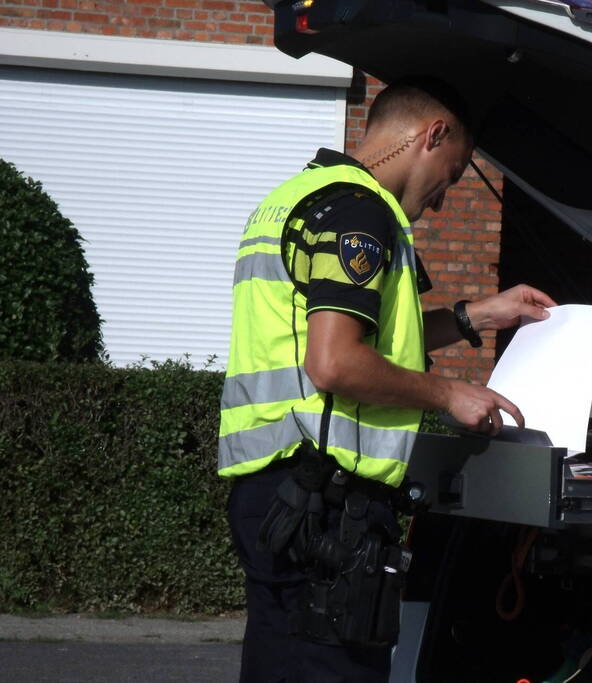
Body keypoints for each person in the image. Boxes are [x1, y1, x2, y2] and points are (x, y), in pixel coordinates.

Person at [218, 76, 556, 683]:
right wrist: (451, 393)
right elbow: (337, 362)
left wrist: (477, 314)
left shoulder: (298, 196)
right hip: (324, 508)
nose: (443, 202)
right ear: (432, 134)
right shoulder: (361, 214)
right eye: (450, 177)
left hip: (276, 499)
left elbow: (361, 340)